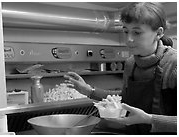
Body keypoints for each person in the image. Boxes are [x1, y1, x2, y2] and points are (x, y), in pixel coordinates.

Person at [64, 2, 177, 134]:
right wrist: (89, 90)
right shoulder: (131, 63)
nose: (129, 39)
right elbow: (125, 98)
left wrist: (149, 119)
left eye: (136, 32)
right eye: (126, 31)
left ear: (158, 33)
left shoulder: (173, 64)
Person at [105, 103, 177, 133]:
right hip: (134, 130)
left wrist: (148, 119)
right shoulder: (129, 71)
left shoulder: (173, 73)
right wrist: (93, 91)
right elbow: (124, 95)